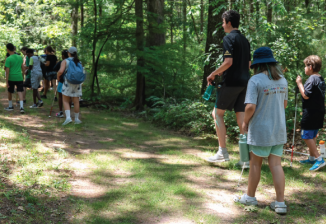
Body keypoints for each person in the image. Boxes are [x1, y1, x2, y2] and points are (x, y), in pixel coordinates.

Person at [233, 47, 288, 214]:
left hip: (261, 130)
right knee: (276, 165)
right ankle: (280, 203)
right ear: (271, 62)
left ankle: (250, 197)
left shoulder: (255, 80)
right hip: (278, 129)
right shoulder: (283, 80)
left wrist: (245, 122)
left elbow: (250, 106)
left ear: (256, 64)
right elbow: (284, 105)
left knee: (255, 164)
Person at [205, 10, 251, 168]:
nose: (223, 25)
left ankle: (222, 152)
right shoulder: (245, 40)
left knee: (216, 114)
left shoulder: (228, 38)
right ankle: (245, 159)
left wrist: (212, 74)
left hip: (231, 83)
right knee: (241, 120)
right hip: (245, 83)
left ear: (229, 23)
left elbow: (228, 62)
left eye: (223, 22)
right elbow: (248, 65)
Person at [296, 55, 326, 171]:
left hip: (310, 112)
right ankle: (312, 158)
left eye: (305, 66)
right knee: (313, 134)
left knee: (306, 135)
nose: (304, 68)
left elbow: (305, 95)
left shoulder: (312, 79)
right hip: (319, 112)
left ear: (311, 67)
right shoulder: (320, 79)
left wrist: (299, 83)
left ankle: (319, 159)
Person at [57, 47, 82, 125]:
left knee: (65, 100)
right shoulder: (79, 62)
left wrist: (58, 77)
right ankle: (77, 119)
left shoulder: (65, 61)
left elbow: (61, 71)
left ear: (68, 52)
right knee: (76, 101)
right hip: (77, 83)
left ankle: (68, 118)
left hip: (68, 82)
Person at [4, 43, 25, 113]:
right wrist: (23, 77)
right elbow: (23, 68)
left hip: (11, 78)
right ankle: (21, 107)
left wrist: (6, 82)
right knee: (20, 91)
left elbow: (7, 71)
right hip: (19, 77)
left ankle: (10, 106)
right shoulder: (19, 57)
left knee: (10, 91)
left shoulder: (8, 58)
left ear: (7, 49)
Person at [53, 50, 69, 118]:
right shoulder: (72, 62)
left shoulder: (62, 62)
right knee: (68, 97)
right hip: (69, 82)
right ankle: (68, 113)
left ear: (63, 55)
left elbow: (55, 69)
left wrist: (59, 76)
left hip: (62, 81)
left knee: (60, 96)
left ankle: (61, 111)